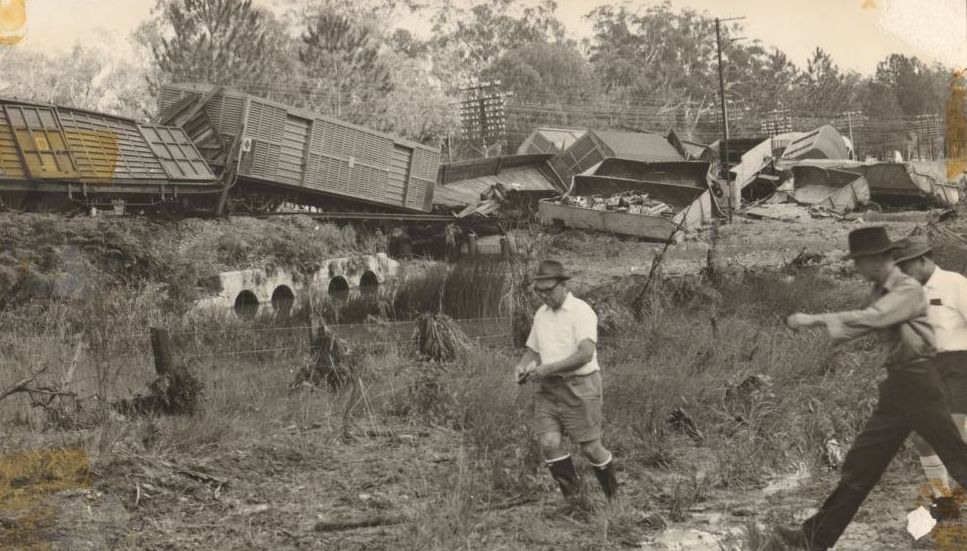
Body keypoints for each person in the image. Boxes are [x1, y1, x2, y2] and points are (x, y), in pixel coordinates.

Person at [774, 226, 967, 550]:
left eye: (859, 262)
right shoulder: (880, 290)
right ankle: (813, 538)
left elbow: (873, 318)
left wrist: (813, 319)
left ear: (876, 259)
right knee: (860, 466)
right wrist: (831, 338)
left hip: (920, 383)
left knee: (958, 459)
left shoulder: (906, 289)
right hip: (898, 387)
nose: (856, 269)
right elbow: (862, 326)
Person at [513, 259, 618, 508]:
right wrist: (522, 365)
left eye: (549, 290)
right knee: (549, 443)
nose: (545, 296)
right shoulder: (541, 314)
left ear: (563, 285)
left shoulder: (581, 311)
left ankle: (614, 500)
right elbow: (532, 349)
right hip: (548, 390)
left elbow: (585, 353)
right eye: (540, 292)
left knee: (591, 447)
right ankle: (575, 500)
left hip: (581, 386)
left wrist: (549, 368)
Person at [894, 236, 967, 500]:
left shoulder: (955, 284)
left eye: (905, 267)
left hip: (959, 367)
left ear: (923, 260)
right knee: (921, 437)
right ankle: (944, 503)